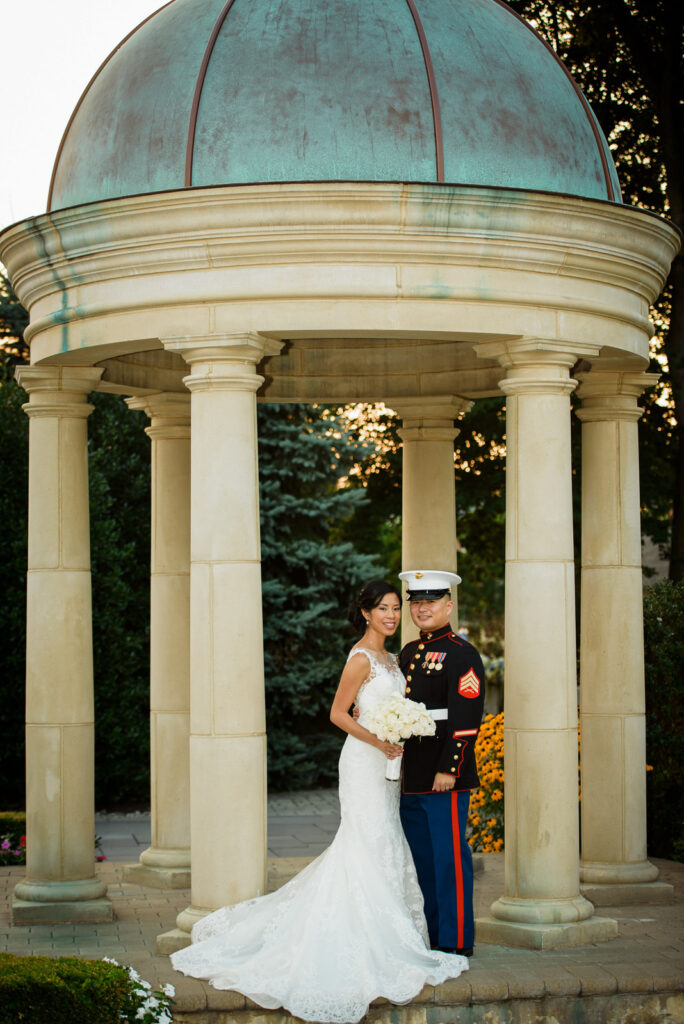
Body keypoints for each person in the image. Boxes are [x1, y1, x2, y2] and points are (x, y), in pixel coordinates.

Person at [170, 580, 468, 1024]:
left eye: (393, 609)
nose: (390, 615)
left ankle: (384, 933)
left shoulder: (395, 656)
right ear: (364, 613)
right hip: (365, 761)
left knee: (384, 840)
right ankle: (363, 939)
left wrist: (399, 737)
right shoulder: (362, 657)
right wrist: (380, 741)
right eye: (382, 609)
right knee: (364, 840)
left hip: (389, 765)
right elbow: (337, 713)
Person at [397, 569, 486, 958]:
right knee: (422, 861)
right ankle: (431, 932)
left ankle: (455, 939)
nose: (422, 608)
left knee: (449, 858)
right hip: (411, 773)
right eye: (416, 602)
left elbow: (466, 720)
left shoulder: (461, 653)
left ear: (448, 605)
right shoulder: (408, 653)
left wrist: (450, 768)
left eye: (430, 601)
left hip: (442, 773)